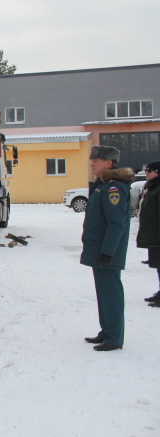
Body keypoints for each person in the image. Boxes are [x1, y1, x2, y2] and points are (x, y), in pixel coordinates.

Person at [80, 145, 133, 351]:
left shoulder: (114, 188)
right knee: (104, 293)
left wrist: (107, 252)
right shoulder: (104, 185)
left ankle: (114, 338)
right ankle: (107, 331)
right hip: (100, 250)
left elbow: (116, 224)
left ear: (108, 163)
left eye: (96, 160)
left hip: (106, 252)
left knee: (111, 294)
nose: (92, 164)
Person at [136, 160, 160, 307]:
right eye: (146, 170)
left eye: (150, 170)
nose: (146, 173)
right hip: (154, 234)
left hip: (157, 234)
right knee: (158, 265)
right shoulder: (152, 187)